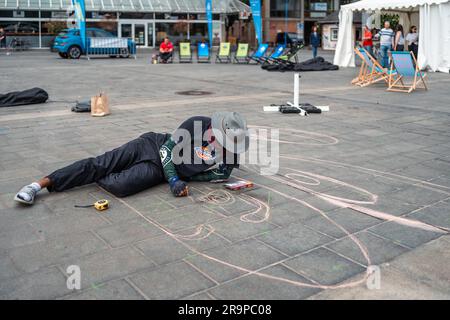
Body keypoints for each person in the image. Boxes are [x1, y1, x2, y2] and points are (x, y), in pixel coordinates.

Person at [14, 112, 249, 205]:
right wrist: (174, 181)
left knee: (121, 186)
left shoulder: (231, 146)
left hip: (163, 172)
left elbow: (221, 174)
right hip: (151, 146)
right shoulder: (196, 123)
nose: (222, 146)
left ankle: (96, 175)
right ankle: (38, 185)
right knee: (102, 164)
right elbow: (167, 151)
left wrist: (192, 176)